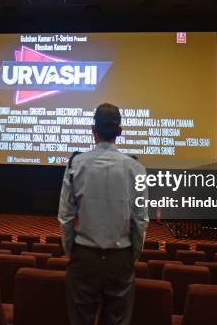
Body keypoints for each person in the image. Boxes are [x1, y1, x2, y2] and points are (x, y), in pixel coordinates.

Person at [58, 103, 149, 325]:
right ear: (120, 131)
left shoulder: (75, 164)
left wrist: (72, 253)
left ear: (93, 129)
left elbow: (66, 217)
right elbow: (140, 220)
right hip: (120, 259)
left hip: (84, 257)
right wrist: (131, 257)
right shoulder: (135, 168)